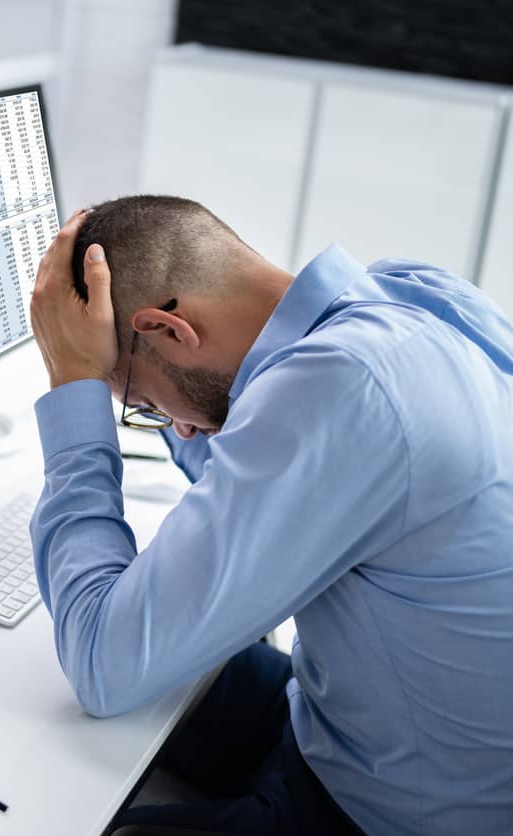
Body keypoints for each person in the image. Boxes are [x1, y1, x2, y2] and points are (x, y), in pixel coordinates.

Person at [27, 196, 513, 835]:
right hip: (359, 724)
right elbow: (266, 478)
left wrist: (73, 391)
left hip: (390, 814)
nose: (174, 427)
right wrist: (124, 376)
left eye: (138, 401)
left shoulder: (340, 387)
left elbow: (99, 659)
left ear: (170, 331)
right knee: (161, 690)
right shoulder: (409, 295)